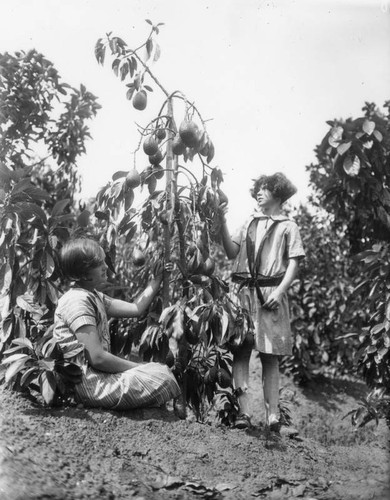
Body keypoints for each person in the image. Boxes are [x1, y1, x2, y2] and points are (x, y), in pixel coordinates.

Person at [219, 172, 305, 432]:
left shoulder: (288, 226)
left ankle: (273, 418)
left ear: (278, 195)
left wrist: (279, 292)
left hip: (269, 296)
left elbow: (294, 262)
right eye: (258, 188)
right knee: (241, 351)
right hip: (244, 294)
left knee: (270, 357)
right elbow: (231, 251)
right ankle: (244, 414)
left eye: (265, 189)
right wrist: (222, 220)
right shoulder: (249, 223)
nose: (259, 192)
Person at [53, 238, 181, 411]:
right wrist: (139, 368)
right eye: (99, 264)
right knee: (162, 377)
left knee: (158, 372)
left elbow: (136, 308)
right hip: (89, 386)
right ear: (83, 275)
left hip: (98, 378)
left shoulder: (93, 296)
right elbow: (97, 358)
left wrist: (156, 279)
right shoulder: (77, 301)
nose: (106, 266)